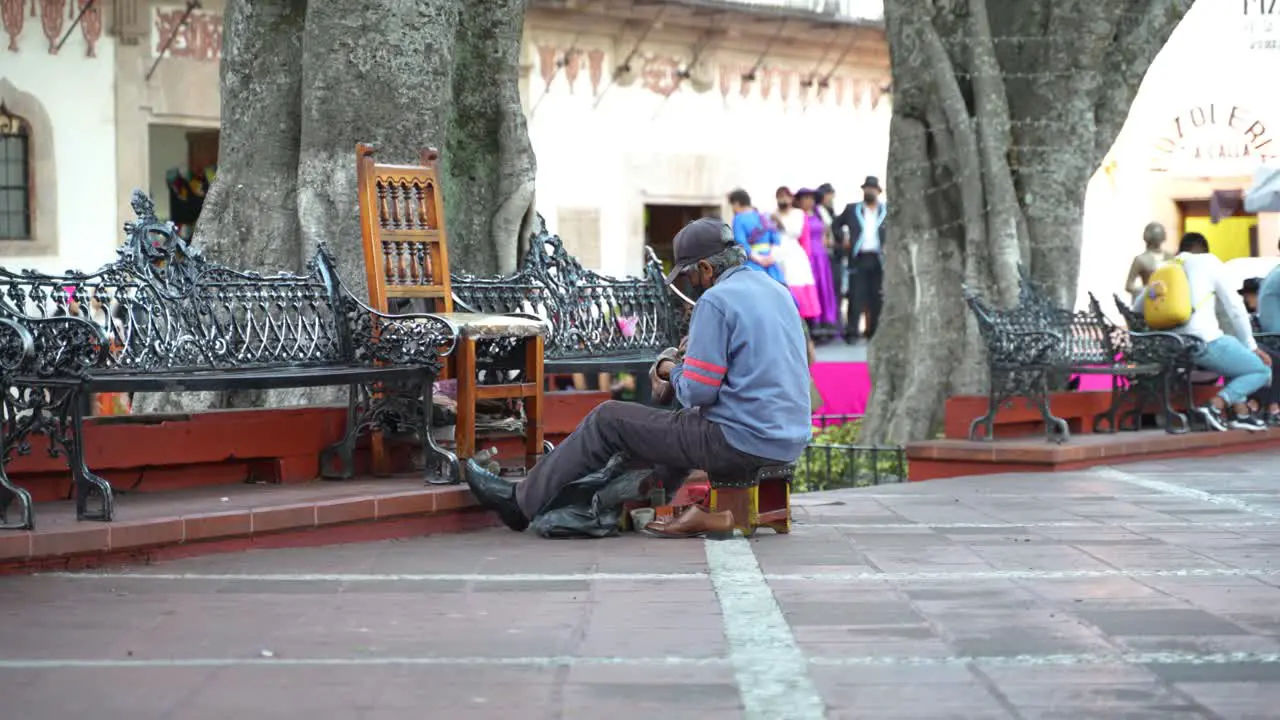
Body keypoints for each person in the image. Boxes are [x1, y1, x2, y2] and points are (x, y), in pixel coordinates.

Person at [464, 218, 812, 538]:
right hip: (788, 438)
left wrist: (669, 369)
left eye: (690, 276)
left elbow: (698, 393)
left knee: (609, 418)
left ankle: (519, 502)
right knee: (668, 428)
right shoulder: (777, 291)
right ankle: (608, 504)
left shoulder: (716, 301)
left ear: (706, 268)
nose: (691, 286)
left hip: (739, 440)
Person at [1155, 232, 1271, 431]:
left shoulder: (1165, 268)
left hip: (1172, 345)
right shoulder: (1209, 262)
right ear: (1204, 250)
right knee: (1260, 370)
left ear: (1179, 250)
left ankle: (1240, 414)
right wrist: (1251, 346)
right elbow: (1235, 308)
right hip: (1204, 343)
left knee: (1234, 351)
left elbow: (1140, 307)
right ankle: (1215, 406)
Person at [836, 176, 887, 342]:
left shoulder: (886, 210)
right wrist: (843, 239)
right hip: (859, 257)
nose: (869, 191)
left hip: (879, 258)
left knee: (876, 297)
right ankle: (852, 332)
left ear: (878, 192)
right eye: (866, 188)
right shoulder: (853, 209)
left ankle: (873, 332)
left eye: (872, 189)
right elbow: (836, 224)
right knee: (856, 295)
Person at [771, 186, 821, 321]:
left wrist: (779, 222)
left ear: (791, 198)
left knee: (796, 282)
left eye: (786, 196)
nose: (783, 199)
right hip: (776, 251)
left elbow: (796, 232)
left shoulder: (798, 214)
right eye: (780, 196)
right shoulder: (772, 214)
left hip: (793, 252)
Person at [794, 188, 839, 333]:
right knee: (811, 288)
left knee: (824, 286)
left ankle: (826, 322)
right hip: (807, 254)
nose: (809, 201)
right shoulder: (798, 215)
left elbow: (826, 230)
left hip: (821, 254)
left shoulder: (819, 213)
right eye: (805, 198)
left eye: (811, 198)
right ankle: (813, 322)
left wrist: (826, 240)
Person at [727, 189, 785, 284]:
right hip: (771, 263)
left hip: (752, 264)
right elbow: (776, 239)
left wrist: (759, 259)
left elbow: (741, 243)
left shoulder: (738, 219)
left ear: (736, 204)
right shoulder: (765, 216)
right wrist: (770, 257)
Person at [1125, 222, 1170, 301]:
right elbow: (1129, 285)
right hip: (1150, 301)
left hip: (1169, 302)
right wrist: (1147, 291)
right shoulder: (1141, 259)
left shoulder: (1170, 257)